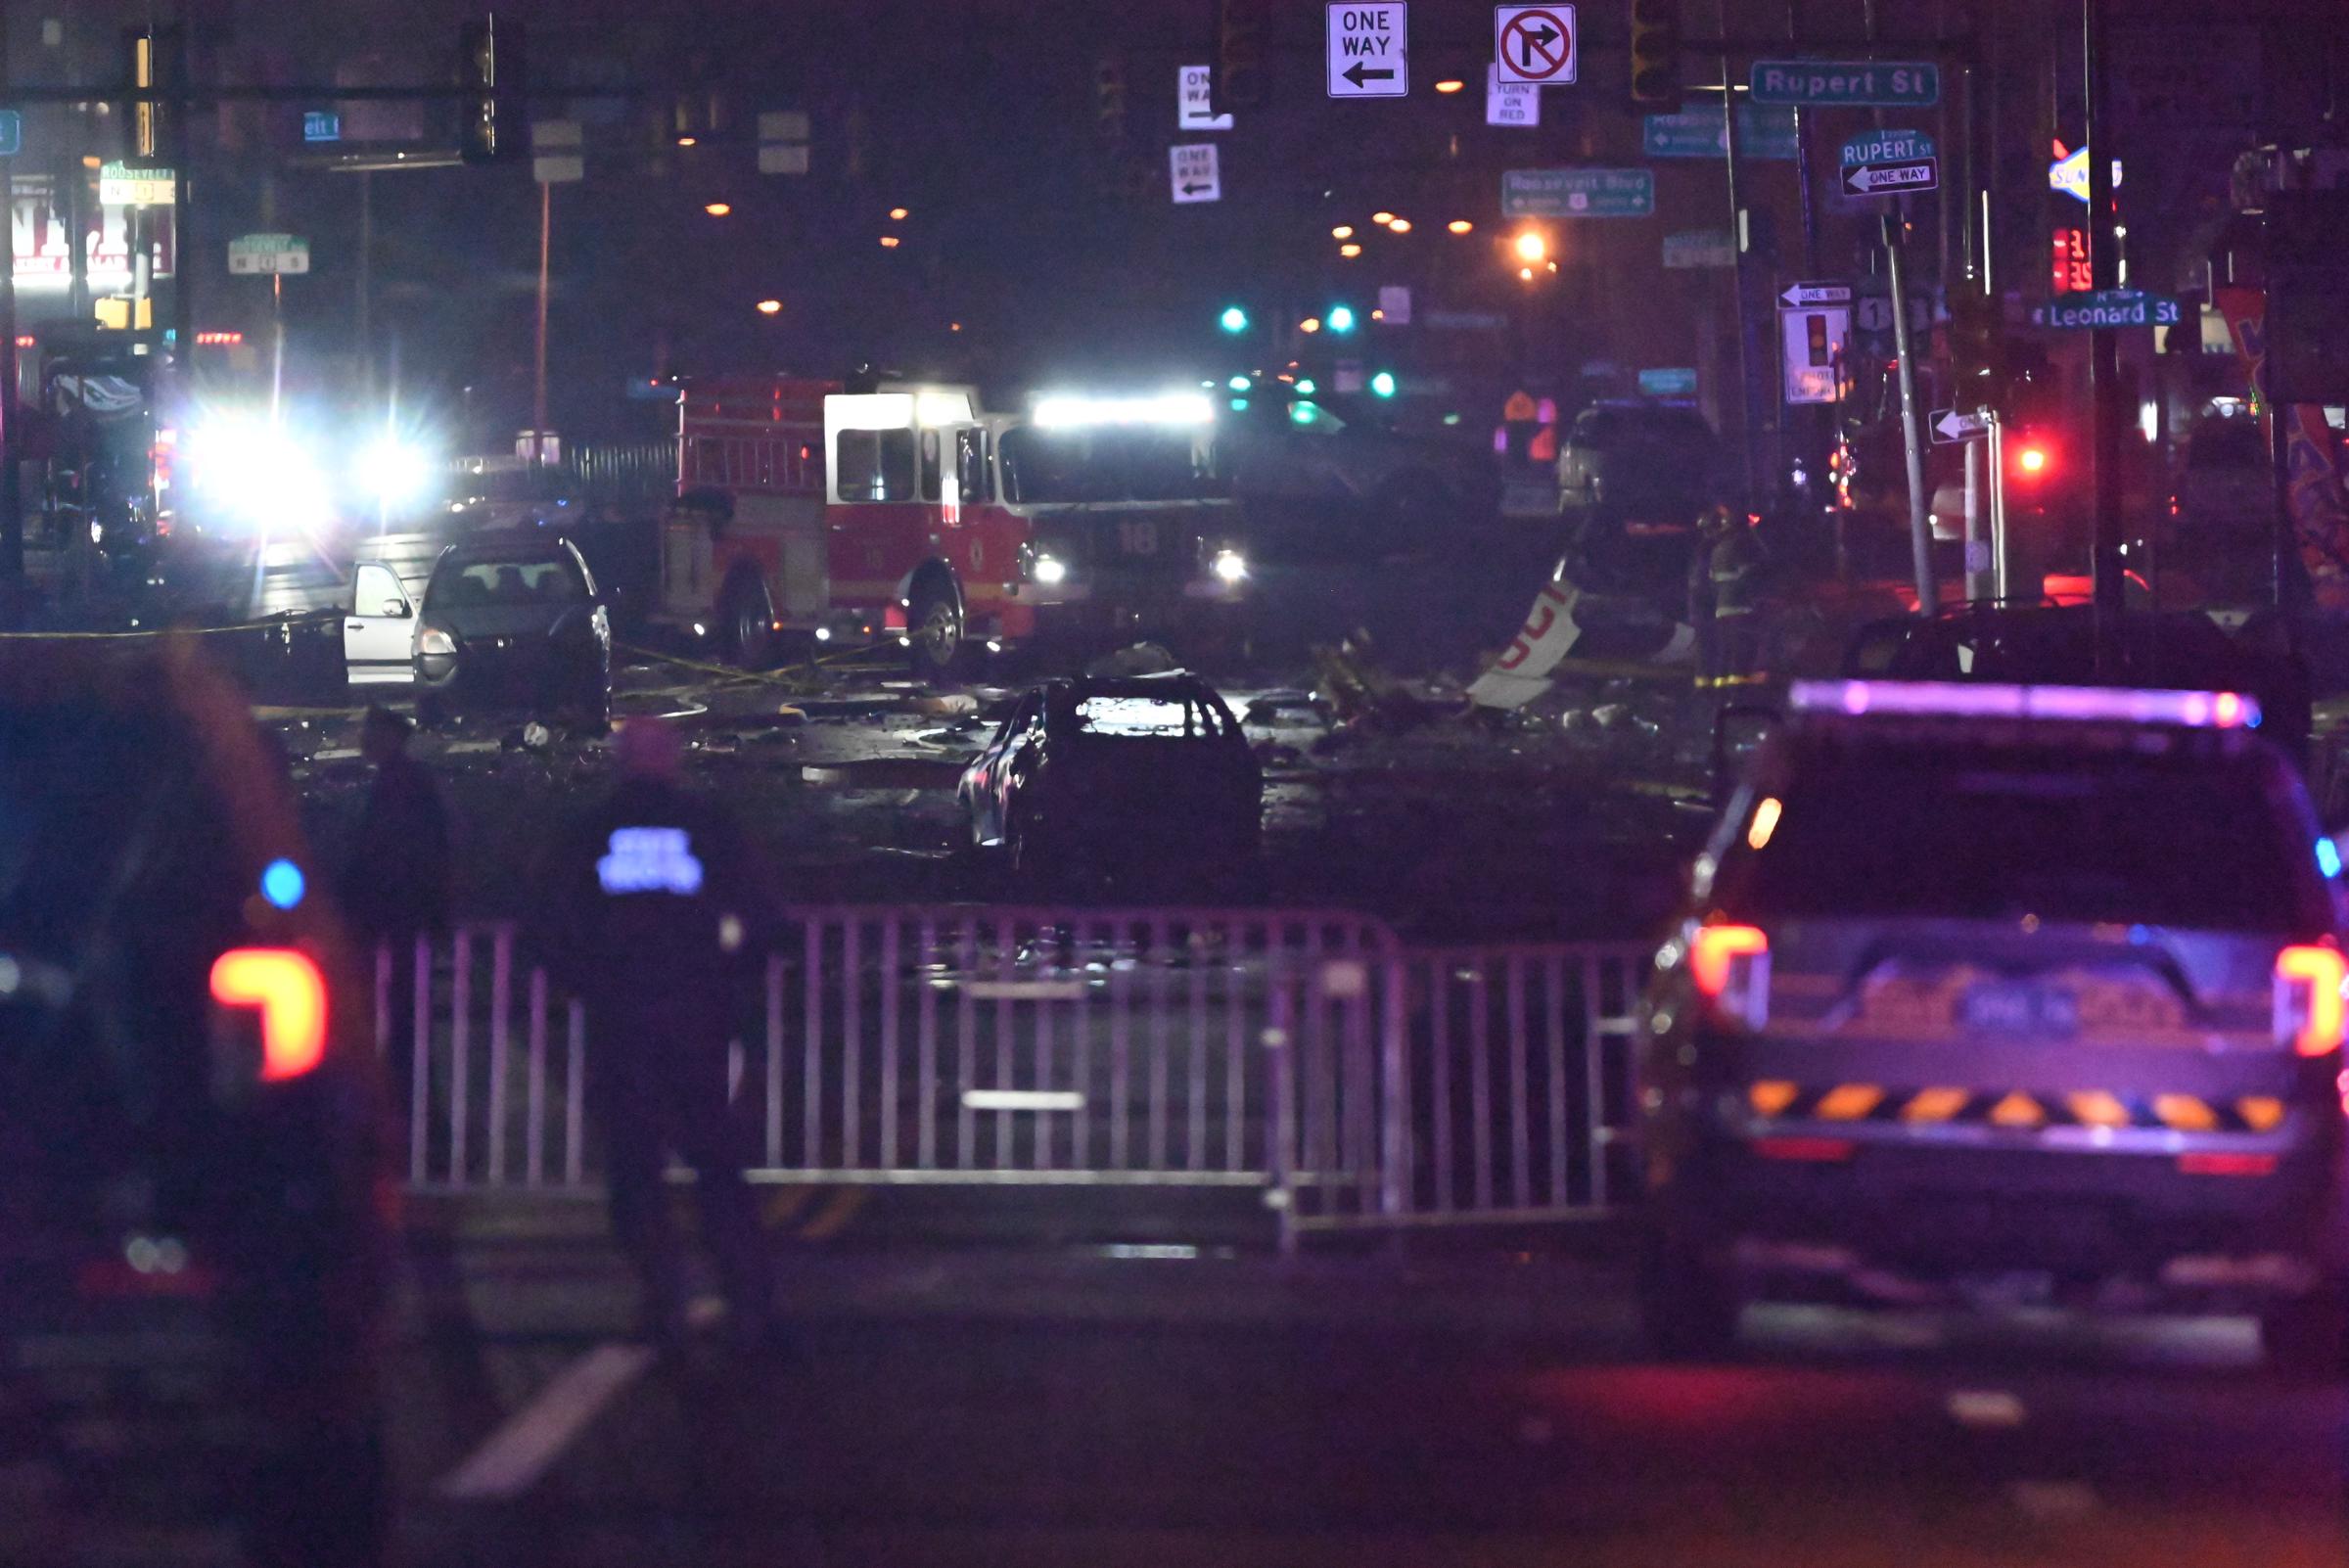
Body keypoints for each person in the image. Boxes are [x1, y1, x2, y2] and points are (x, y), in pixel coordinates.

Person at [533, 717, 779, 1349]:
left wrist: (584, 983)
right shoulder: (705, 827)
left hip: (623, 1026)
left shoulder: (595, 830)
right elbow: (757, 916)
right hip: (694, 1022)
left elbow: (553, 921)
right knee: (717, 1169)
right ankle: (745, 1300)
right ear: (671, 759)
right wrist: (731, 981)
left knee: (635, 1173)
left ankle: (662, 1295)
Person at [344, 705, 452, 1077]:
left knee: (400, 1005)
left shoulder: (397, 784)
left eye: (369, 734)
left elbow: (389, 852)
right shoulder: (408, 780)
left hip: (398, 910)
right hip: (407, 910)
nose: (362, 741)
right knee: (405, 1005)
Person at [1693, 503, 1769, 682]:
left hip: (1719, 607)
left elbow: (1710, 580)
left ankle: (1719, 690)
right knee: (1739, 650)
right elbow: (1752, 574)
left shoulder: (1712, 549)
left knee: (1723, 651)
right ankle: (1736, 691)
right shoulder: (1738, 546)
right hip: (1740, 606)